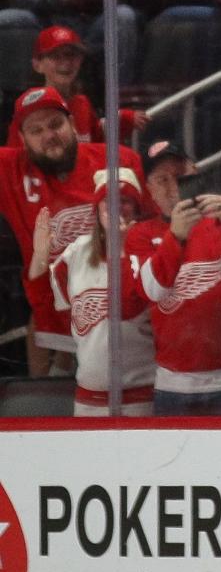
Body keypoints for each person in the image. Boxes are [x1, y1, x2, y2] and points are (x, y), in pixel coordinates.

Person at [0, 85, 144, 375]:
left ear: (73, 124)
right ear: (22, 140)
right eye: (36, 131)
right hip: (50, 315)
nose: (48, 136)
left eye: (55, 124)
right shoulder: (10, 170)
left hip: (116, 311)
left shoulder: (119, 159)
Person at [125, 142, 221, 416]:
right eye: (162, 180)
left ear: (196, 173)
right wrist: (175, 237)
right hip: (174, 386)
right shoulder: (140, 235)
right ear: (149, 190)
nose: (173, 187)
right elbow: (152, 291)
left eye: (180, 176)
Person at [35, 167, 153, 415]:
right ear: (97, 209)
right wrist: (39, 256)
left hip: (141, 396)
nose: (116, 207)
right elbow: (44, 303)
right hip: (89, 398)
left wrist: (125, 245)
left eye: (125, 201)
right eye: (108, 201)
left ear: (138, 209)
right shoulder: (76, 254)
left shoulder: (151, 253)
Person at [2, 0, 143, 86]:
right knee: (9, 19)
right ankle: (17, 100)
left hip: (96, 22)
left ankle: (119, 100)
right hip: (50, 20)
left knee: (123, 16)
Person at [4, 25, 148, 147]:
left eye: (71, 55)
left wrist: (121, 120)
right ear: (37, 65)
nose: (66, 63)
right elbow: (13, 161)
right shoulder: (29, 106)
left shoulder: (82, 103)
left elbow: (96, 143)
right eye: (55, 56)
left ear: (81, 60)